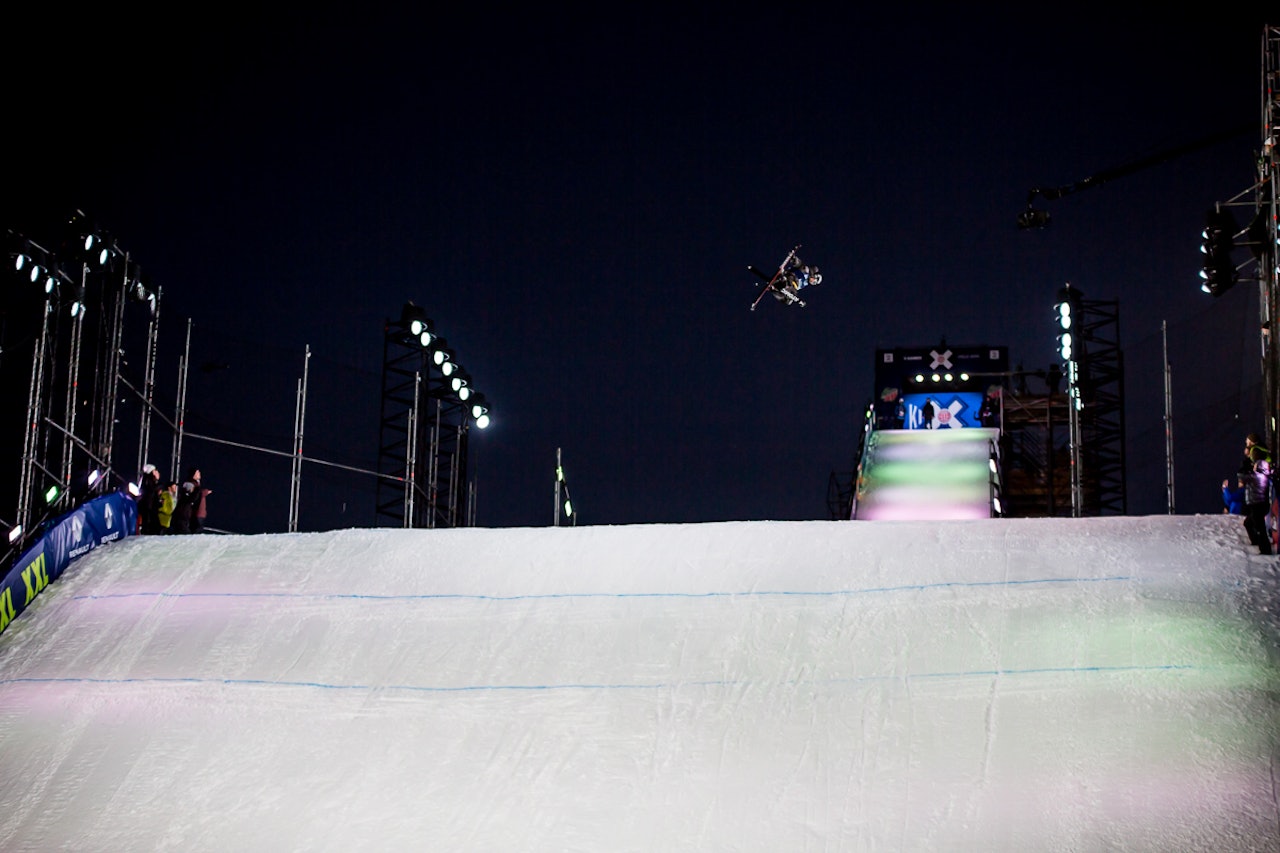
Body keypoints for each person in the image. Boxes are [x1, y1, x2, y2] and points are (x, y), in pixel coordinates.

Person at [1242, 445, 1272, 555]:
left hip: (1258, 504)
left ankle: (1265, 550)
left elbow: (1243, 477)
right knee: (1249, 523)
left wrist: (1245, 467)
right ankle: (1257, 543)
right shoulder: (1261, 474)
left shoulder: (1259, 475)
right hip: (1258, 504)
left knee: (1260, 528)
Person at [186, 468, 212, 533]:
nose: (199, 473)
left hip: (200, 513)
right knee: (196, 531)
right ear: (193, 474)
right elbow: (195, 495)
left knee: (198, 530)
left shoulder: (196, 484)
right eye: (198, 472)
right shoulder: (190, 484)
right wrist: (205, 492)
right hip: (196, 513)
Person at [138, 464, 162, 534]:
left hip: (150, 508)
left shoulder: (146, 480)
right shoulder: (148, 480)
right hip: (149, 509)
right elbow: (151, 491)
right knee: (152, 527)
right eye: (155, 470)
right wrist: (159, 485)